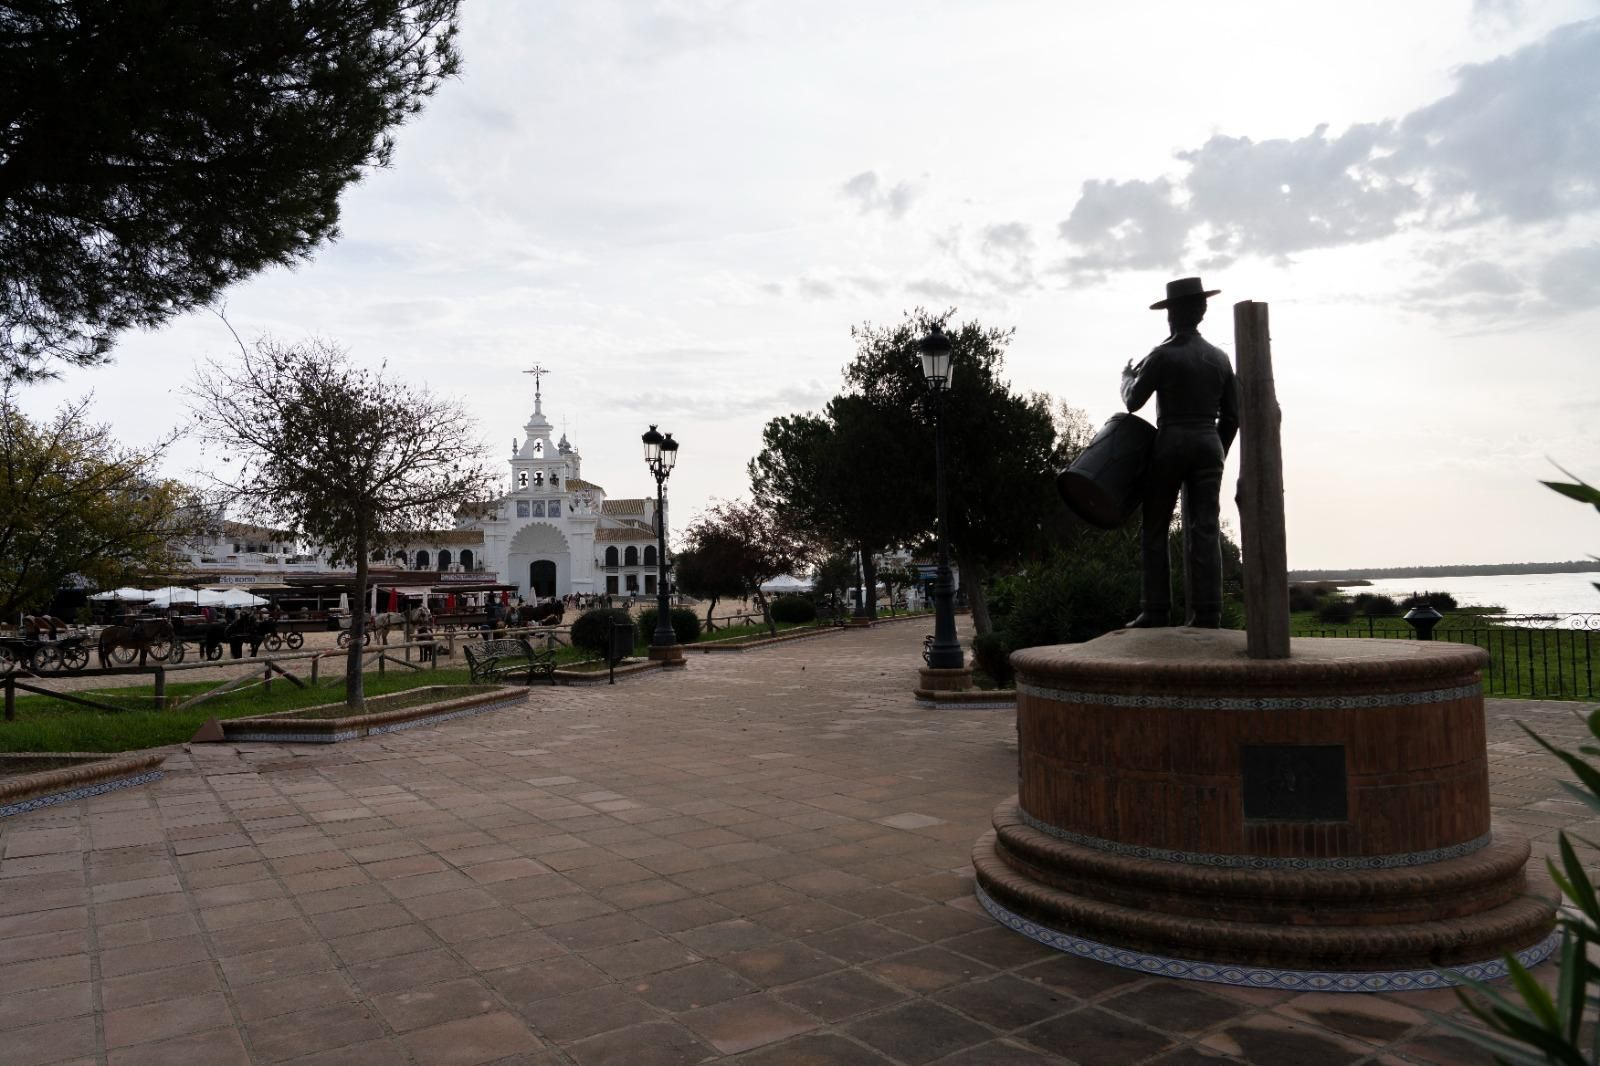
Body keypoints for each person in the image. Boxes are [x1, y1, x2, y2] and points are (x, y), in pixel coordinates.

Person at [1120, 277, 1239, 628]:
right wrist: (1217, 452)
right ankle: (1208, 612)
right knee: (1206, 528)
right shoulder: (1219, 358)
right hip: (1208, 444)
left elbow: (1132, 401)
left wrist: (1126, 376)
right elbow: (1233, 415)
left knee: (1154, 527)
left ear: (1172, 314)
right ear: (1200, 311)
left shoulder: (1162, 354)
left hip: (1171, 442)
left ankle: (1156, 609)